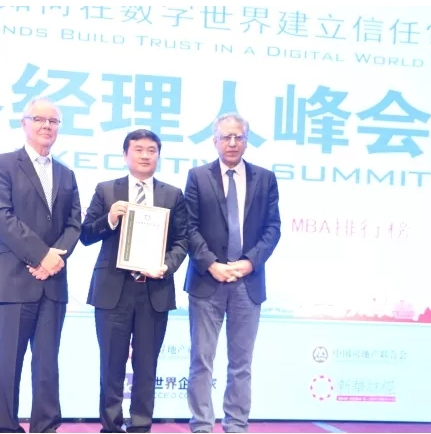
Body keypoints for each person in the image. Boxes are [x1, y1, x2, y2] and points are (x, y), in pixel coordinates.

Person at [0, 97, 82, 433]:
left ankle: (46, 427)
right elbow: (0, 217)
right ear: (24, 123)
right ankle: (6, 428)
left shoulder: (66, 174)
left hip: (52, 283)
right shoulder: (2, 165)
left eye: (53, 121)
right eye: (39, 119)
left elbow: (74, 224)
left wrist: (55, 259)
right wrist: (42, 255)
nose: (46, 126)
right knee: (9, 364)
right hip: (13, 280)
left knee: (47, 365)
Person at [80, 129, 188, 433]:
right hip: (113, 290)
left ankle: (141, 426)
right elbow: (85, 234)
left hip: (154, 290)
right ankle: (111, 427)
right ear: (125, 154)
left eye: (151, 150)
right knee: (111, 364)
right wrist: (110, 219)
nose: (145, 155)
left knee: (146, 365)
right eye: (138, 149)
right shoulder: (106, 190)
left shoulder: (172, 194)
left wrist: (166, 266)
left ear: (158, 156)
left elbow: (182, 240)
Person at [184, 113, 281, 433]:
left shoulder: (265, 179)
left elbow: (273, 229)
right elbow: (189, 227)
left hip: (247, 282)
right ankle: (201, 424)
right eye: (226, 137)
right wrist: (211, 263)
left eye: (238, 137)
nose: (232, 143)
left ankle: (236, 424)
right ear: (214, 141)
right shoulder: (198, 177)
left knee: (241, 362)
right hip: (207, 280)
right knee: (202, 360)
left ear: (247, 141)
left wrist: (250, 262)